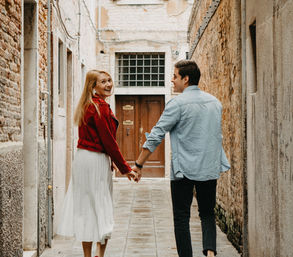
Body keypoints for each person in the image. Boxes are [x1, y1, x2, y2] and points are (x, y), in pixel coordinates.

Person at [132, 60, 230, 257]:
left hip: (183, 169)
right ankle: (210, 254)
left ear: (186, 79)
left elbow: (157, 133)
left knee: (181, 218)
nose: (171, 80)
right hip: (209, 167)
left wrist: (138, 164)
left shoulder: (177, 103)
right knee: (208, 214)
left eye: (175, 76)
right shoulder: (215, 103)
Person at [57, 70, 138, 257]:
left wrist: (114, 162)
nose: (109, 84)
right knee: (102, 207)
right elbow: (108, 141)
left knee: (87, 208)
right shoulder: (100, 107)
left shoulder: (86, 105)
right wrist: (125, 168)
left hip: (83, 159)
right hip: (95, 161)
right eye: (103, 82)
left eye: (109, 80)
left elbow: (101, 141)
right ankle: (99, 255)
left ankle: (88, 255)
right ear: (93, 86)